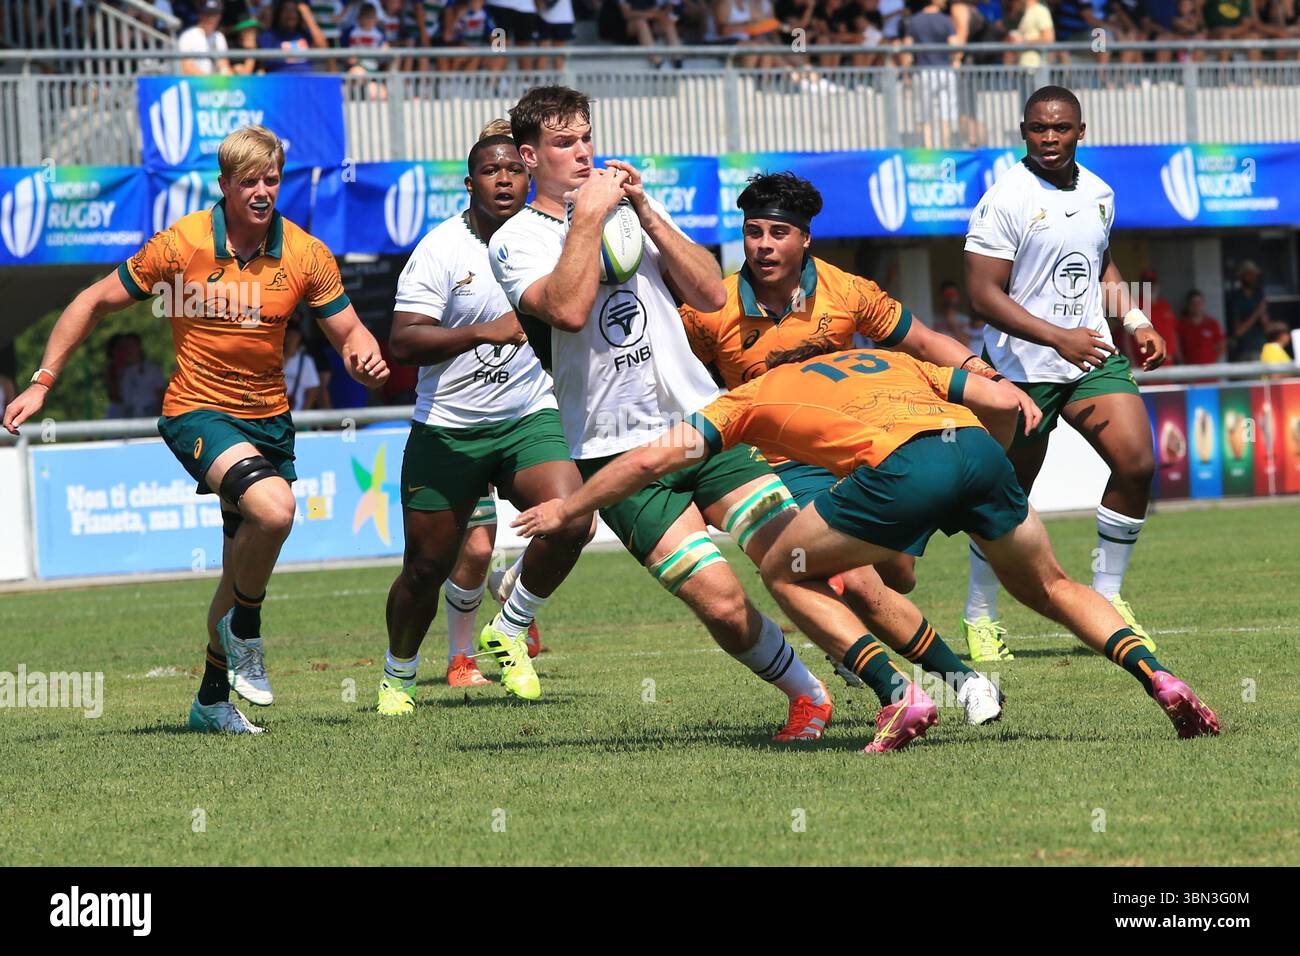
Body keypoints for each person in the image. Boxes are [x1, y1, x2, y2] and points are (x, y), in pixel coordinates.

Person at [514, 342, 1221, 749]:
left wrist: (569, 508)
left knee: (780, 568)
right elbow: (1003, 401)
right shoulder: (884, 358)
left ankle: (896, 695)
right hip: (975, 451)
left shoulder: (741, 401)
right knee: (1055, 589)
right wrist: (984, 475)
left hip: (905, 467)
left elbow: (644, 463)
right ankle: (1161, 679)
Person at [3, 126, 389, 734]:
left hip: (270, 421)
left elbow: (350, 332)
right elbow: (92, 302)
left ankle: (211, 697)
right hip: (196, 412)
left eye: (271, 180)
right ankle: (249, 631)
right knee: (277, 509)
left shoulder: (306, 254)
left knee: (238, 565)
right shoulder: (182, 244)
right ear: (225, 186)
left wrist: (364, 357)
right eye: (249, 182)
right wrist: (42, 381)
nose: (262, 192)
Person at [489, 85, 837, 742]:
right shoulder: (514, 241)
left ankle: (881, 673)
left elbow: (712, 292)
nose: (583, 153)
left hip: (701, 423)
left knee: (797, 558)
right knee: (723, 604)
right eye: (565, 143)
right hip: (615, 452)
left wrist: (645, 210)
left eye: (587, 137)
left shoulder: (628, 209)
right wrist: (587, 217)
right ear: (530, 157)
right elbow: (564, 309)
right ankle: (807, 694)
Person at [679, 171, 1031, 710]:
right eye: (754, 232)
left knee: (898, 578)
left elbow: (921, 340)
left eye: (778, 233)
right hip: (783, 461)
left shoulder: (847, 291)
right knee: (860, 583)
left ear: (804, 239)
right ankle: (961, 685)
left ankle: (848, 644)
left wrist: (992, 380)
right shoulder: (710, 310)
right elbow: (681, 378)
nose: (764, 246)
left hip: (866, 450)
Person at [378, 128, 590, 711]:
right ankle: (398, 676)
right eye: (489, 172)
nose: (503, 180)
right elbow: (403, 340)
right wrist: (483, 331)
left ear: (529, 175)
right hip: (448, 429)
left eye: (513, 170)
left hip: (529, 415)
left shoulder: (554, 239)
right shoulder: (441, 248)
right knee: (426, 567)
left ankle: (509, 628)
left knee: (573, 520)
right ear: (469, 184)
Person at [961, 85, 1167, 662]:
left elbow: (1100, 261)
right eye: (1037, 129)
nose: (1049, 138)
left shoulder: (1100, 192)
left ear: (1081, 130)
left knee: (1137, 462)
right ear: (1023, 131)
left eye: (1060, 128)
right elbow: (982, 294)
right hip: (1020, 369)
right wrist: (1056, 337)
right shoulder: (1005, 198)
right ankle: (980, 615)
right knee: (1007, 497)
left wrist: (1134, 317)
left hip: (1090, 359)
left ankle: (1106, 598)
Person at [1125, 268, 1181, 366]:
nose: (1151, 286)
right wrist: (1131, 361)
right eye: (1146, 283)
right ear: (1141, 286)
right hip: (1146, 361)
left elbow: (1174, 332)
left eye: (1153, 283)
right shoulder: (1134, 305)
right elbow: (1125, 337)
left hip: (1168, 361)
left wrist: (1178, 357)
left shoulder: (1165, 305)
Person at [259, 0, 326, 73]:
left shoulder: (305, 34)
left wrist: (307, 16)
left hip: (306, 80)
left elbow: (323, 47)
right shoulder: (269, 36)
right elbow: (263, 66)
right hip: (279, 81)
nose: (290, 14)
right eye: (286, 10)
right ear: (279, 14)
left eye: (294, 11)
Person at [115, 333, 169, 418]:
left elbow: (161, 395)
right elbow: (118, 398)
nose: (127, 350)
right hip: (129, 415)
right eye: (124, 347)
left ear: (139, 347)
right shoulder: (123, 372)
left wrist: (157, 417)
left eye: (130, 346)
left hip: (150, 415)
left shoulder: (153, 369)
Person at [1226, 260, 1269, 361]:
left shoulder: (1258, 296)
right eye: (1249, 274)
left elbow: (1267, 326)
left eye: (1254, 275)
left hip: (1262, 347)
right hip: (1244, 350)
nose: (1253, 278)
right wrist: (1256, 313)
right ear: (1242, 276)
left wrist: (1263, 315)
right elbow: (1238, 331)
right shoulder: (1236, 298)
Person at [179, 0, 234, 75]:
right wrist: (210, 80)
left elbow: (224, 66)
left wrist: (232, 79)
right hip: (194, 84)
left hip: (216, 84)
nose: (211, 18)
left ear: (219, 16)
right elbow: (186, 68)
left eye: (215, 14)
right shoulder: (188, 36)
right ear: (200, 15)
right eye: (208, 14)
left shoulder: (219, 36)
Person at [1176, 289, 1225, 366]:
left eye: (1199, 303)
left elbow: (1221, 346)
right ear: (1188, 305)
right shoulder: (1182, 325)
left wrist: (1212, 361)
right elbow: (1176, 346)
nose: (1196, 306)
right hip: (1189, 371)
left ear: (1203, 304)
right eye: (1193, 303)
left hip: (1210, 371)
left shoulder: (1212, 324)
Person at [282, 319, 321, 411]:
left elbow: (312, 390)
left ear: (299, 337)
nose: (291, 339)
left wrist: (303, 414)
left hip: (296, 412)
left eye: (294, 335)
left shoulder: (306, 361)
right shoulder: (273, 359)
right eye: (288, 335)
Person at [1009, 0, 1053, 67]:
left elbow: (1048, 38)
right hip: (1024, 66)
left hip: (1035, 67)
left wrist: (1024, 41)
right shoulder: (1026, 11)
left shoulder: (1040, 11)